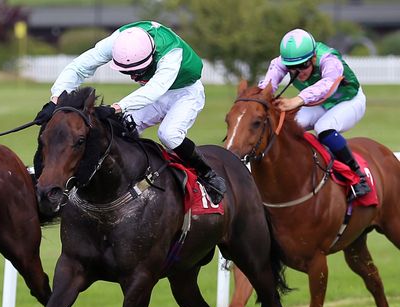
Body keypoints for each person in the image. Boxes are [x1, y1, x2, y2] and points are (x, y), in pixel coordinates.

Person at [33, 21, 226, 205]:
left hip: (185, 93)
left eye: (138, 72)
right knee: (118, 129)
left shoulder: (170, 54)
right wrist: (55, 100)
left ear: (151, 57)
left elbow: (155, 89)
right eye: (127, 73)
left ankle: (207, 174)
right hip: (153, 90)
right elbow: (79, 66)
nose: (134, 77)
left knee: (169, 135)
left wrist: (115, 108)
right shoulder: (118, 41)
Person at [259, 28, 371, 199]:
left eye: (303, 65)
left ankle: (358, 177)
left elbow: (327, 84)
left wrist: (297, 100)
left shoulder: (329, 59)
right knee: (287, 127)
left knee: (323, 127)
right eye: (291, 68)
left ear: (313, 57)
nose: (298, 72)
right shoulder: (280, 62)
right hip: (320, 103)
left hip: (349, 101)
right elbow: (266, 87)